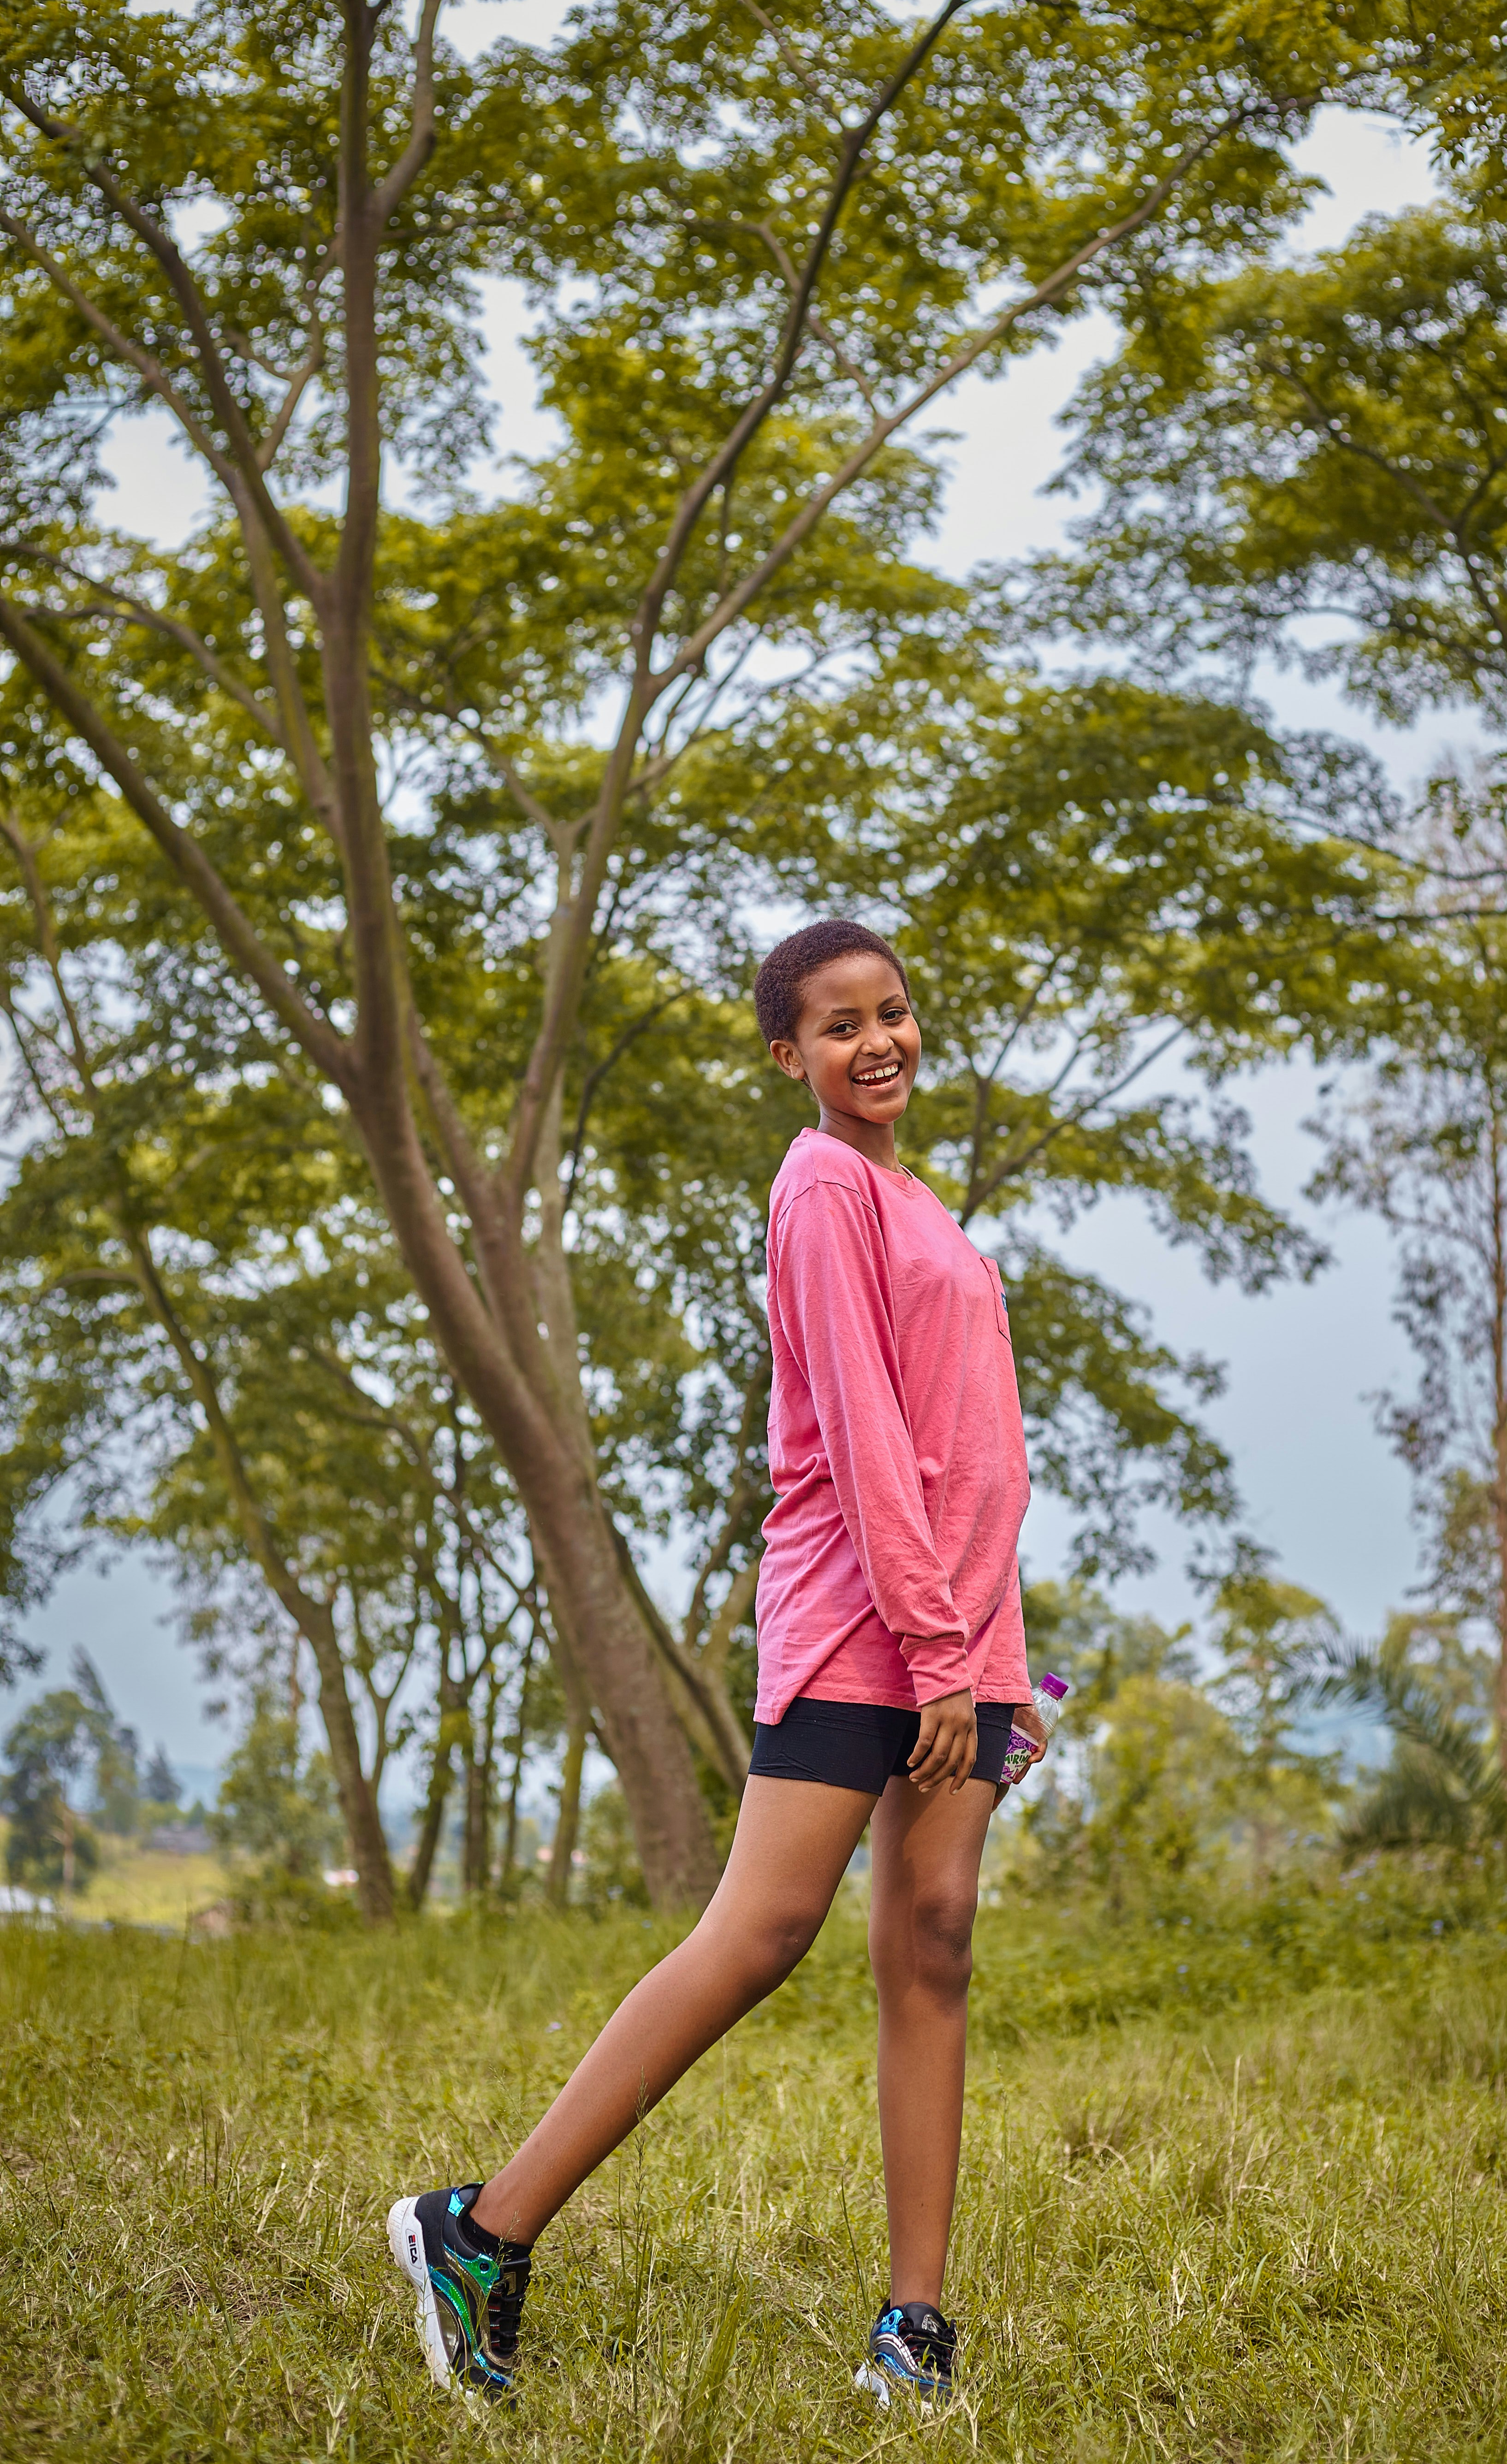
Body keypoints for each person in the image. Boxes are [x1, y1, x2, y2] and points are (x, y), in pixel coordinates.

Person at [387, 917, 1044, 2407]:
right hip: (867, 1631)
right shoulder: (821, 1189)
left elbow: (973, 1456)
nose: (877, 1041)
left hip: (958, 1640)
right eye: (838, 1025)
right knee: (762, 1933)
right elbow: (873, 1444)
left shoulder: (914, 1196)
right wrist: (942, 1651)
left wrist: (1001, 1666)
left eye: (893, 1012)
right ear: (788, 1056)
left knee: (935, 1941)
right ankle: (478, 2232)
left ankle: (914, 2329)